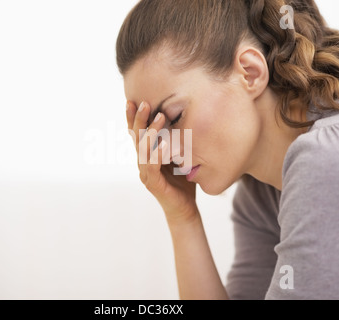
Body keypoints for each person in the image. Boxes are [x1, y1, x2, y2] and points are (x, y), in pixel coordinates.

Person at [116, 0, 339, 300]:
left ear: (250, 73)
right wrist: (183, 217)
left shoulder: (324, 158)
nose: (163, 153)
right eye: (153, 133)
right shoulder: (260, 197)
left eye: (175, 117)